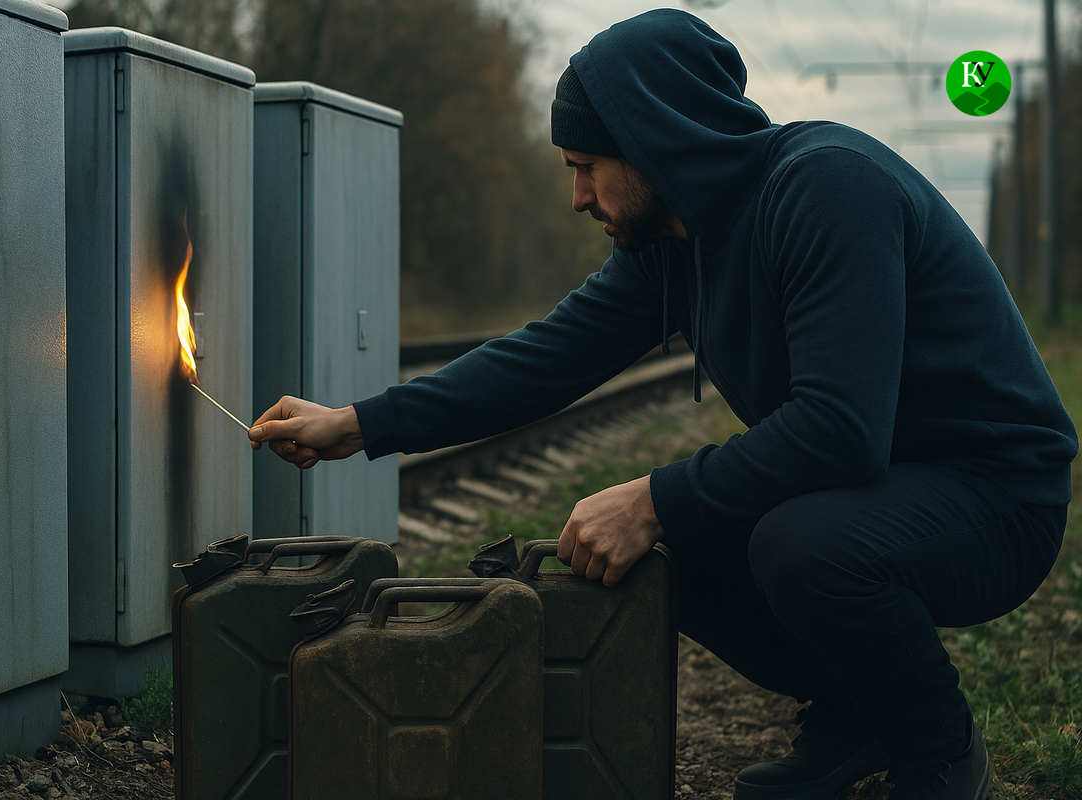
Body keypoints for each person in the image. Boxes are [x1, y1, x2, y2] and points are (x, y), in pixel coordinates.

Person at [248, 9, 1076, 800]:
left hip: (995, 494)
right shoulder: (677, 241)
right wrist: (358, 424)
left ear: (654, 143)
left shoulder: (828, 189)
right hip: (882, 489)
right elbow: (543, 359)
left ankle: (941, 748)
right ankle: (860, 713)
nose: (578, 196)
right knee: (663, 546)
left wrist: (653, 496)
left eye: (586, 166)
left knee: (797, 544)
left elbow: (843, 432)